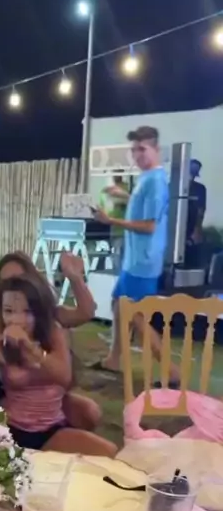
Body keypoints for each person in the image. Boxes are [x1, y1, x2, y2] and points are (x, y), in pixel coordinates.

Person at [0, 272, 116, 456]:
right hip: (12, 430)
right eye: (9, 311)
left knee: (108, 452)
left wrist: (30, 348)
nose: (16, 319)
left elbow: (63, 376)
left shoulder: (54, 335)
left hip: (52, 429)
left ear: (38, 312)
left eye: (27, 312)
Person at [0, 250, 101, 431]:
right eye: (6, 282)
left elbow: (85, 313)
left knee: (90, 412)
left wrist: (75, 278)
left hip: (50, 395)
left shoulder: (49, 316)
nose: (14, 286)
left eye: (20, 279)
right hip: (12, 398)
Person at [93, 126, 180, 383]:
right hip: (135, 260)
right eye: (134, 150)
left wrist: (111, 220)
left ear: (156, 149)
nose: (137, 155)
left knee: (137, 316)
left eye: (142, 149)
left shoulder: (155, 182)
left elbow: (149, 225)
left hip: (143, 262)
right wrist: (126, 196)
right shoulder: (147, 178)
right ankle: (113, 359)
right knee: (118, 304)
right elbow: (144, 209)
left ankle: (172, 373)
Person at [185, 159, 206, 267]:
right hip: (174, 230)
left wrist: (197, 230)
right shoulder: (172, 186)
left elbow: (201, 210)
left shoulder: (200, 189)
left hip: (192, 229)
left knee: (191, 261)